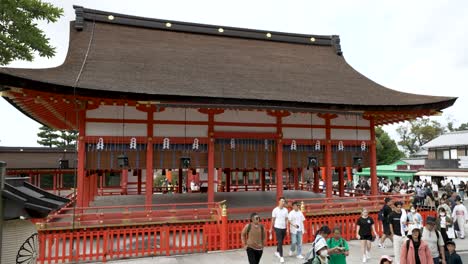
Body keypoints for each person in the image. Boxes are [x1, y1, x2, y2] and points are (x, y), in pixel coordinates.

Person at [270, 196, 288, 263]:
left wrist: (287, 228)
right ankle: (281, 256)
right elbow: (273, 220)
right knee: (280, 241)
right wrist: (271, 228)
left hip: (284, 227)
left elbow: (286, 220)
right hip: (277, 227)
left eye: (284, 201)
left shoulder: (286, 210)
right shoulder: (275, 210)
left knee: (281, 242)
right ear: (279, 202)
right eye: (282, 201)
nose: (283, 202)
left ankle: (277, 251)